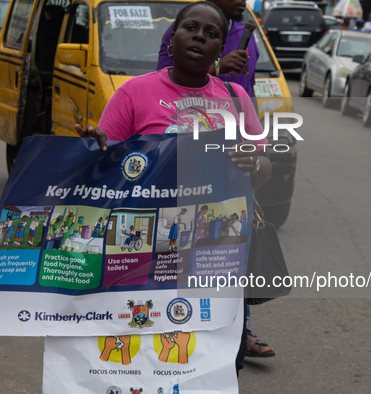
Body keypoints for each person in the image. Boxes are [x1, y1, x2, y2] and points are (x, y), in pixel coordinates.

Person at [75, 2, 273, 373]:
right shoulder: (134, 93)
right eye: (191, 28)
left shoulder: (236, 98)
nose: (200, 36)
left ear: (220, 49)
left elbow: (263, 169)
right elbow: (103, 168)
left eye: (212, 33)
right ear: (173, 39)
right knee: (144, 351)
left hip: (216, 252)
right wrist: (95, 146)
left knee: (212, 360)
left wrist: (254, 164)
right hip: (147, 249)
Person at [156, 0, 259, 97]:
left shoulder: (246, 33)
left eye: (211, 34)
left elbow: (249, 85)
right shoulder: (185, 30)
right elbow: (165, 82)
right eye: (211, 34)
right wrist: (218, 67)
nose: (200, 36)